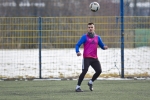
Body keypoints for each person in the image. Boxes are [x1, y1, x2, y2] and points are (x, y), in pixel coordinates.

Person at [75, 22, 108, 92]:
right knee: (84, 71)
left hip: (94, 58)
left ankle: (91, 82)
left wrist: (104, 47)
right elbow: (77, 45)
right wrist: (77, 51)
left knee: (99, 71)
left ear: (94, 28)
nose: (90, 28)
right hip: (86, 58)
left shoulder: (97, 37)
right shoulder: (84, 37)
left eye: (91, 27)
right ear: (87, 28)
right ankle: (78, 87)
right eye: (89, 27)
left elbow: (102, 46)